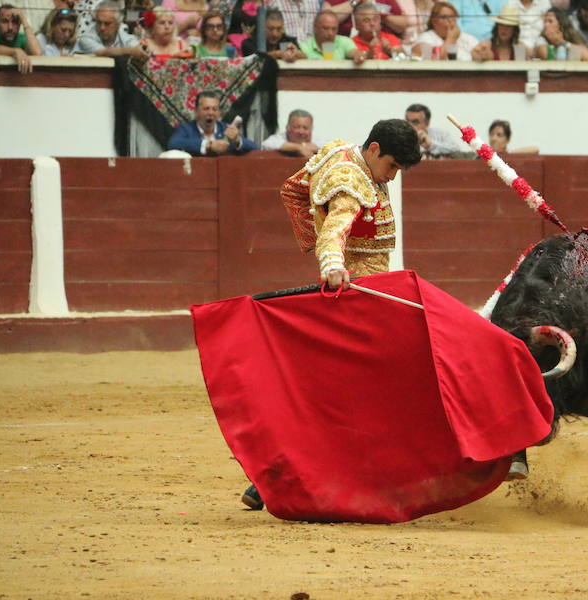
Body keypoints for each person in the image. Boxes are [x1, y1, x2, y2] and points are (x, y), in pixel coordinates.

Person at [240, 119, 423, 512]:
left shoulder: (341, 151)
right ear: (373, 149)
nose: (391, 178)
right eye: (392, 166)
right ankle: (274, 476)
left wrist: (313, 235)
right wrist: (331, 262)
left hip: (365, 297)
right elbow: (335, 229)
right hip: (356, 300)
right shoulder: (348, 180)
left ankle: (268, 477)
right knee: (353, 395)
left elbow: (292, 189)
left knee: (335, 394)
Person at [167, 91, 258, 156]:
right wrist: (208, 145)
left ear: (219, 113)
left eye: (215, 109)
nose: (211, 113)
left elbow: (255, 148)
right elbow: (172, 143)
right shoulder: (186, 129)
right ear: (196, 111)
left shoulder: (225, 129)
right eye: (206, 108)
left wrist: (237, 141)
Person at [0, 4, 41, 74]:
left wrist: (24, 21)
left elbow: (36, 52)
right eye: (4, 22)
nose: (10, 28)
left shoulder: (21, 37)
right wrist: (15, 51)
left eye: (14, 22)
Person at [77, 1, 148, 58]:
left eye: (107, 23)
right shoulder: (85, 39)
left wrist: (142, 49)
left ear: (118, 24)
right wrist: (129, 51)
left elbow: (135, 46)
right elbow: (102, 52)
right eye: (99, 22)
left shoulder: (124, 36)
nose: (102, 28)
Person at [413, 1, 480, 60]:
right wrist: (451, 39)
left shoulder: (468, 38)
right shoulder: (425, 38)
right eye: (444, 17)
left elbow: (481, 56)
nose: (450, 21)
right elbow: (438, 59)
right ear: (434, 21)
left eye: (452, 17)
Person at [299, 10, 366, 62]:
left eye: (334, 29)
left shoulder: (344, 41)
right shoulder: (305, 46)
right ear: (315, 28)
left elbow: (353, 52)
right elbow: (300, 56)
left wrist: (358, 54)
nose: (330, 33)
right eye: (325, 28)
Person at [323, 0, 407, 38]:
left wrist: (379, 14)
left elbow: (402, 25)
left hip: (383, 46)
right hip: (345, 48)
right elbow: (324, 18)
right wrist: (355, 2)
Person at [262, 109, 326, 158]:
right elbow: (266, 144)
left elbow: (332, 147)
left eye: (305, 128)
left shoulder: (317, 140)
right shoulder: (279, 138)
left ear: (311, 129)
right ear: (288, 128)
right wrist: (299, 148)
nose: (301, 132)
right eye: (297, 127)